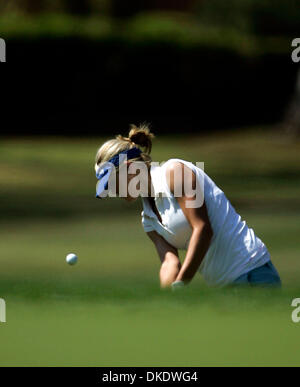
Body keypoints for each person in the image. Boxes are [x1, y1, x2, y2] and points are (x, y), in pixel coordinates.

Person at [94, 124, 281, 290]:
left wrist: (182, 282)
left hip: (252, 272)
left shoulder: (176, 173)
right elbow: (169, 263)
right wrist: (166, 300)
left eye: (112, 183)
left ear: (129, 168)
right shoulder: (148, 219)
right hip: (222, 287)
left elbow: (203, 229)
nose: (113, 191)